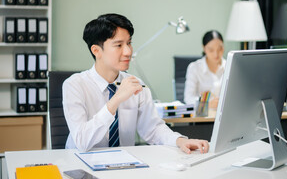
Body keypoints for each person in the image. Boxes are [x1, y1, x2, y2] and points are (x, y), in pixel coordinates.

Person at [63, 13, 209, 153]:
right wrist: (116, 100)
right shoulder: (74, 85)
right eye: (119, 45)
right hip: (81, 165)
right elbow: (81, 142)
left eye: (129, 43)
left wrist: (180, 141)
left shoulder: (135, 84)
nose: (128, 51)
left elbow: (153, 129)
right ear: (96, 51)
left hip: (124, 165)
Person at [184, 30, 226, 109]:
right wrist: (206, 104)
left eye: (220, 49)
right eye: (211, 50)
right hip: (203, 117)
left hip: (226, 114)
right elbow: (188, 98)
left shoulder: (229, 66)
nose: (216, 54)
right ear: (204, 48)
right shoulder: (194, 68)